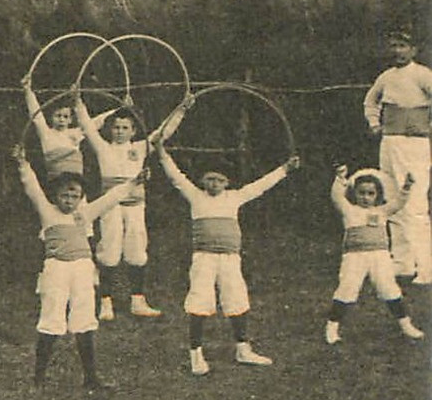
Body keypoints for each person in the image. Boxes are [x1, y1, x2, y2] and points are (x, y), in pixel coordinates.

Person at [155, 126, 298, 375]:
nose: (215, 184)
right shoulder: (195, 196)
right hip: (204, 258)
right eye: (210, 179)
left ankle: (243, 348)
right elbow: (175, 175)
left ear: (228, 182)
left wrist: (285, 169)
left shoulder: (234, 197)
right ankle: (196, 354)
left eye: (220, 180)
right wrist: (161, 153)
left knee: (236, 299)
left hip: (230, 258)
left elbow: (261, 186)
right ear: (202, 180)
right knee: (200, 301)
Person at [13, 144, 143, 391]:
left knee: (84, 319)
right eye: (65, 196)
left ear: (81, 198)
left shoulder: (85, 214)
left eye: (75, 196)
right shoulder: (48, 212)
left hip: (82, 269)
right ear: (55, 196)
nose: (69, 201)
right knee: (51, 318)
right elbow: (31, 186)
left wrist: (134, 182)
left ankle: (91, 378)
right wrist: (22, 162)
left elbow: (111, 198)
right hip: (56, 269)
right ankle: (38, 380)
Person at [75, 97, 166, 320]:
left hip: (135, 206)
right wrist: (78, 102)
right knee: (109, 250)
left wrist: (182, 109)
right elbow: (87, 126)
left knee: (136, 249)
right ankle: (106, 302)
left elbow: (164, 131)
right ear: (110, 129)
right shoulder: (103, 147)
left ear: (134, 131)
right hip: (111, 206)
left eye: (125, 128)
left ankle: (138, 300)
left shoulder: (140, 147)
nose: (119, 131)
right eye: (116, 127)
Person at [363, 28, 432, 284]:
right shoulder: (386, 77)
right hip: (389, 143)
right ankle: (402, 264)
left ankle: (425, 266)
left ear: (414, 50)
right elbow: (370, 101)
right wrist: (373, 123)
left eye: (403, 46)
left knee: (414, 202)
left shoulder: (423, 75)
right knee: (392, 199)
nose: (398, 51)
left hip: (415, 145)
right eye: (394, 45)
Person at [325, 167, 424, 344]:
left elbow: (399, 202)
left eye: (370, 193)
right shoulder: (349, 210)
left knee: (389, 288)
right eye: (361, 193)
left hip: (380, 256)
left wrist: (407, 186)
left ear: (377, 195)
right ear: (354, 193)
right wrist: (340, 179)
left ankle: (406, 324)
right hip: (354, 257)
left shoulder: (382, 211)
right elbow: (337, 197)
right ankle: (332, 328)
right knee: (347, 289)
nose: (365, 197)